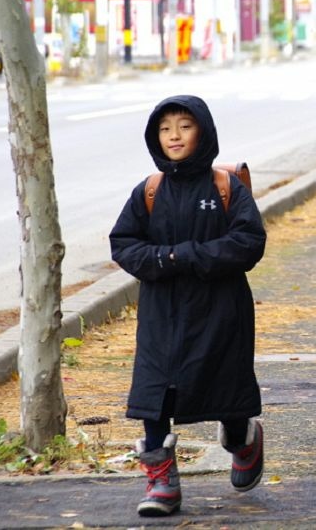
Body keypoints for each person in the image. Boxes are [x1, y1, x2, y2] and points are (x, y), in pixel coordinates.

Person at [110, 95, 267, 517]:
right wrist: (162, 261)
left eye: (184, 125)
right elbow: (123, 243)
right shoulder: (149, 191)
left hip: (221, 311)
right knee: (153, 394)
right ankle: (161, 483)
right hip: (162, 312)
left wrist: (189, 256)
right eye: (164, 129)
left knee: (226, 392)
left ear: (204, 131)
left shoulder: (225, 187)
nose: (174, 135)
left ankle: (242, 439)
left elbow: (250, 242)